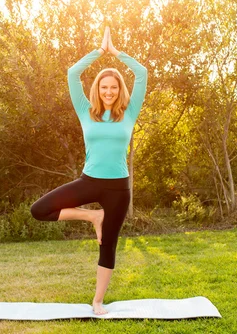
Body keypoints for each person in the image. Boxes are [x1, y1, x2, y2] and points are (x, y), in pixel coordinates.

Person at [30, 26, 148, 315]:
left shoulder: (129, 112)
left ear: (120, 90)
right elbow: (72, 74)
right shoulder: (85, 110)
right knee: (39, 209)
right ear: (97, 89)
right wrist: (99, 51)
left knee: (108, 246)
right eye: (104, 87)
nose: (109, 91)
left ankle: (97, 300)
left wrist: (117, 52)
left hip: (119, 188)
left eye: (114, 87)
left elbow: (142, 73)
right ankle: (92, 216)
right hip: (89, 181)